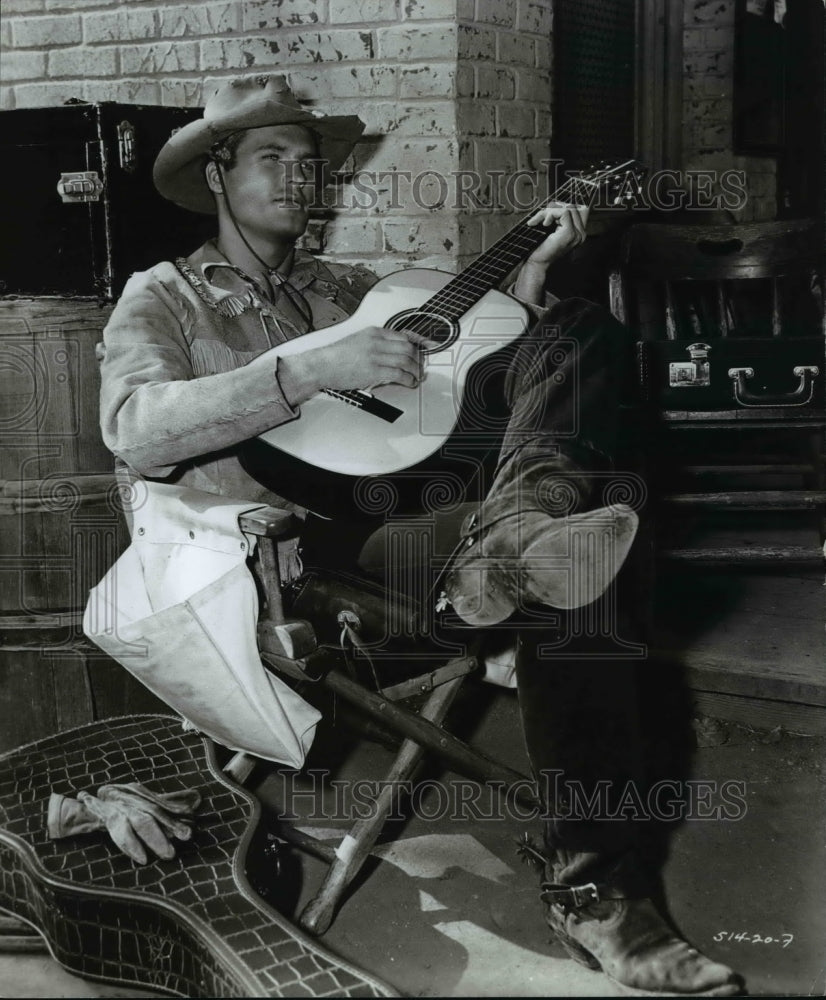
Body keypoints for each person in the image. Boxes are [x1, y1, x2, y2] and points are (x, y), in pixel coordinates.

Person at [93, 73, 743, 996]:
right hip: (298, 551)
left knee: (576, 337)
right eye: (271, 158)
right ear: (215, 173)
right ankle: (597, 881)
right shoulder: (162, 295)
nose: (297, 178)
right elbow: (136, 426)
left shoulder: (362, 285)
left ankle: (524, 540)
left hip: (431, 518)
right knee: (584, 578)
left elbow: (472, 381)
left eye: (309, 162)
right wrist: (310, 368)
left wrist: (526, 278)